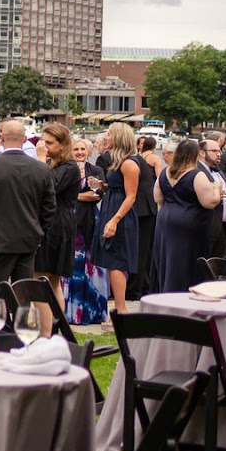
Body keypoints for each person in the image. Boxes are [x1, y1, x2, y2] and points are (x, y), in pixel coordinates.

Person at [0, 119, 57, 297]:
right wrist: (38, 229)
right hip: (28, 239)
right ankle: (20, 325)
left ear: (1, 138)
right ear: (25, 139)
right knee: (23, 295)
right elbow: (49, 208)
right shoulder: (41, 169)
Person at [149, 139, 224, 293]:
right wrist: (216, 189)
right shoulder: (196, 175)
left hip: (165, 223)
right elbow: (209, 202)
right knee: (185, 265)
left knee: (167, 261)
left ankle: (165, 292)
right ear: (195, 155)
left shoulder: (165, 172)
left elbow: (158, 198)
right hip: (189, 226)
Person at [91, 123, 142, 321]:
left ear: (119, 137)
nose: (107, 137)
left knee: (117, 261)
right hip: (111, 208)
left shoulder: (129, 164)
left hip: (120, 214)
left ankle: (120, 311)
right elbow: (116, 187)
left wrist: (115, 220)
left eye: (110, 134)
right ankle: (118, 311)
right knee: (111, 261)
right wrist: (101, 185)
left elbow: (131, 196)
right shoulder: (116, 161)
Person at [34, 124, 81, 319]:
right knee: (51, 281)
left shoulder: (69, 167)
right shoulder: (56, 164)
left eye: (49, 143)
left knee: (40, 280)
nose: (44, 146)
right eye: (43, 141)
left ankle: (46, 331)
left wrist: (40, 160)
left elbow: (48, 185)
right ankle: (54, 327)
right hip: (55, 222)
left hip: (57, 225)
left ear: (62, 145)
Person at [65, 137, 110, 325]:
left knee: (92, 265)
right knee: (72, 266)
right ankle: (71, 312)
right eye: (76, 149)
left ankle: (93, 312)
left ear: (89, 151)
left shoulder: (96, 171)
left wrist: (77, 196)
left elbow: (98, 195)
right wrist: (82, 195)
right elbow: (61, 194)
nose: (80, 152)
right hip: (70, 222)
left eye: (83, 149)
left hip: (91, 221)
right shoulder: (66, 170)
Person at [132, 136, 163, 299]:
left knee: (137, 246)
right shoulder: (155, 158)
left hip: (137, 202)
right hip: (149, 202)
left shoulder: (139, 158)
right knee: (146, 248)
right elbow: (160, 179)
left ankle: (138, 282)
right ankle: (145, 283)